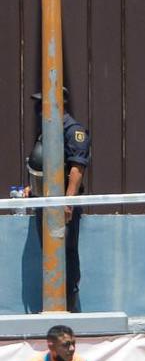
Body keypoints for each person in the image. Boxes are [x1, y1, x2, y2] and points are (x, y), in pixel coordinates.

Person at [25, 84, 89, 309]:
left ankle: (68, 305)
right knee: (49, 252)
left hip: (62, 206)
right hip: (46, 203)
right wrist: (31, 189)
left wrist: (67, 202)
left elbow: (76, 169)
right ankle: (51, 303)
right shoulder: (49, 130)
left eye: (43, 103)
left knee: (66, 253)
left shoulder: (73, 131)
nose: (40, 109)